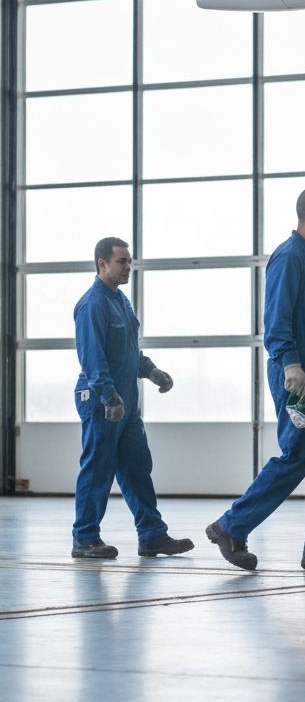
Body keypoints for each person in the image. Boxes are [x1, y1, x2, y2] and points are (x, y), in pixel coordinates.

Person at [206, 188, 305, 572]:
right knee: (299, 454)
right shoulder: (288, 258)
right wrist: (290, 363)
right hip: (297, 381)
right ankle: (231, 525)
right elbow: (276, 321)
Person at [71, 237, 193, 560]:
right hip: (100, 399)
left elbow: (128, 352)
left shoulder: (121, 301)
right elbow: (93, 358)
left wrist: (151, 371)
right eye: (121, 261)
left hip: (125, 400)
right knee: (99, 467)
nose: (128, 267)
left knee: (137, 466)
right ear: (102, 264)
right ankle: (84, 538)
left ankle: (152, 535)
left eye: (130, 261)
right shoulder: (92, 305)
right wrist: (109, 397)